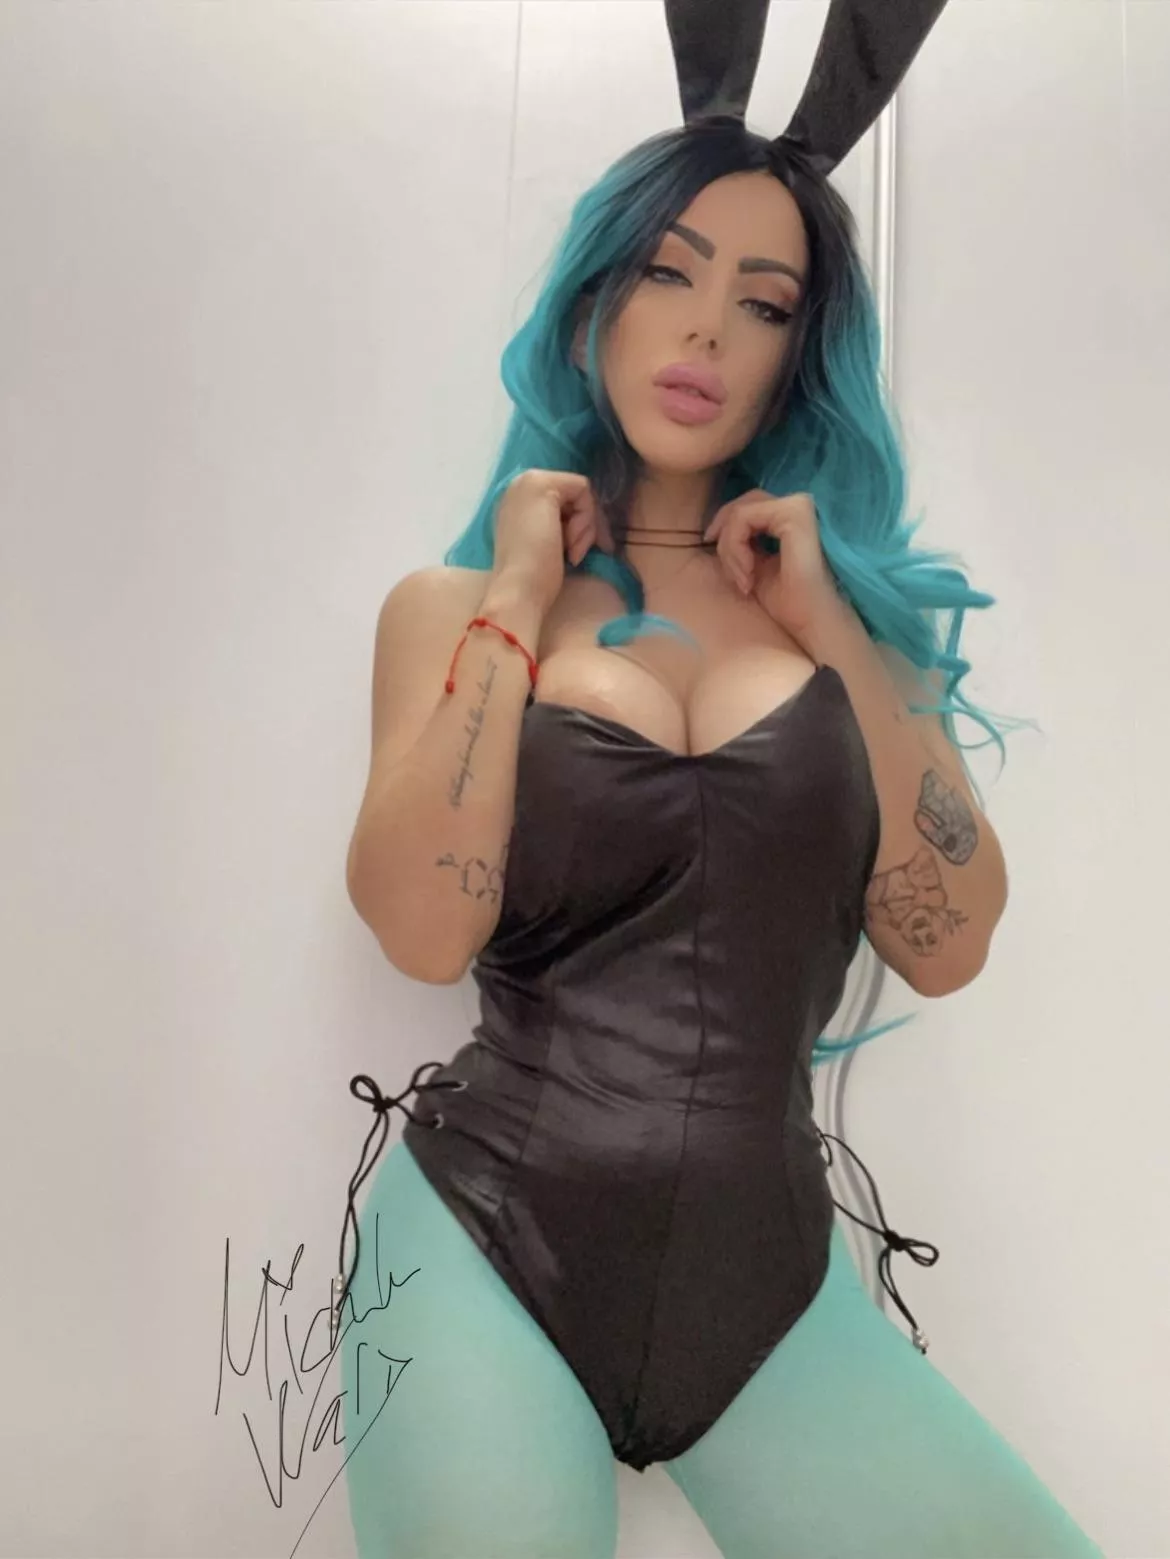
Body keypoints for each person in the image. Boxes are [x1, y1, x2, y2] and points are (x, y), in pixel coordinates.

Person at [334, 4, 1104, 1554]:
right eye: (667, 274)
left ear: (795, 356)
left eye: (761, 302)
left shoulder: (847, 629)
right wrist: (515, 596)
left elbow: (948, 942)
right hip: (482, 1242)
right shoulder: (453, 607)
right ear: (590, 305)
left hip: (768, 1284)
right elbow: (421, 930)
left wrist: (838, 633)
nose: (703, 333)